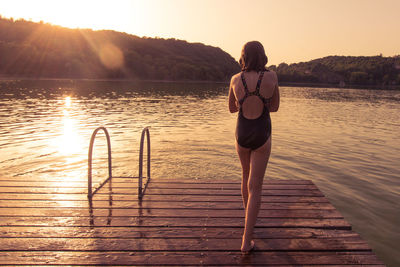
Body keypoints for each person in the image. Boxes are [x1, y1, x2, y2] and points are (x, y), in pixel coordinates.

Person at [228, 41, 280, 253]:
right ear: (263, 56)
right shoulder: (272, 76)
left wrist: (244, 100)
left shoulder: (234, 79)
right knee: (256, 185)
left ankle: (247, 218)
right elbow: (275, 107)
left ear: (243, 57)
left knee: (245, 175)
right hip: (262, 134)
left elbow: (231, 109)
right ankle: (245, 242)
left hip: (242, 133)